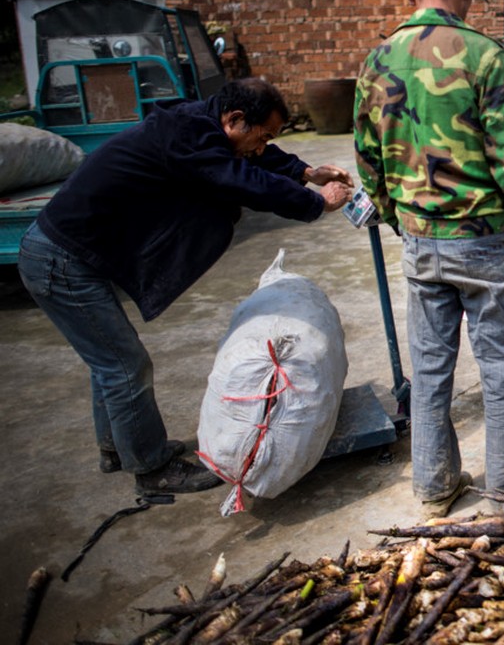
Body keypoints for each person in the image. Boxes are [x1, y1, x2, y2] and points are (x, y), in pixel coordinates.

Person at [17, 77, 354, 496]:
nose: (262, 145)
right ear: (233, 119)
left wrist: (304, 171)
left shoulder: (201, 126)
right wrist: (316, 202)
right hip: (59, 262)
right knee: (124, 364)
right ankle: (150, 467)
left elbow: (252, 157)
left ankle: (118, 449)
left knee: (110, 360)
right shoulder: (188, 138)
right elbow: (242, 178)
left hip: (69, 255)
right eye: (262, 134)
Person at [353, 0, 504, 518]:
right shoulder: (487, 58)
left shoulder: (377, 59)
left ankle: (435, 489)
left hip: (421, 242)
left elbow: (368, 159)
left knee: (431, 368)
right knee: (503, 369)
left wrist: (398, 218)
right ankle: (503, 496)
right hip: (487, 242)